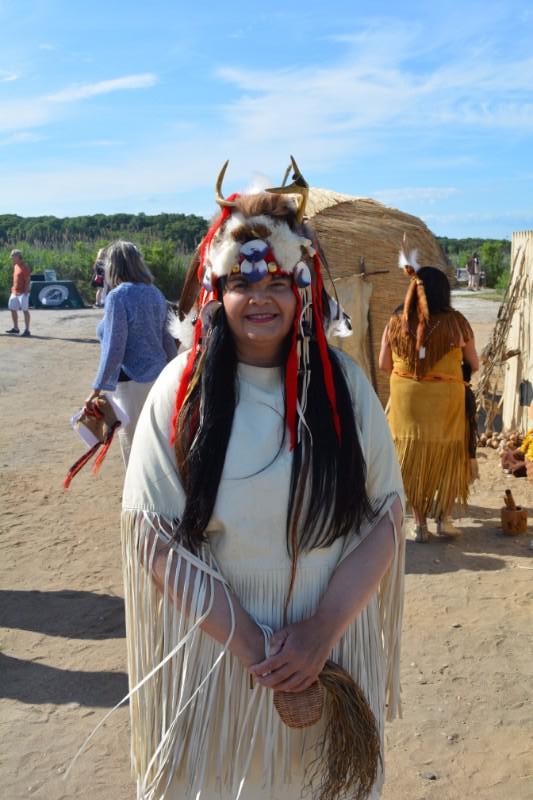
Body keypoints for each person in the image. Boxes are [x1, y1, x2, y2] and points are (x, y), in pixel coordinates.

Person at [120, 161, 405, 800]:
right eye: (243, 283)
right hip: (222, 647)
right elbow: (154, 535)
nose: (261, 298)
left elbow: (384, 519)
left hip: (328, 635)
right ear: (217, 292)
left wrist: (319, 632)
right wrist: (259, 650)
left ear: (305, 289)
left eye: (279, 281)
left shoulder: (345, 390)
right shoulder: (180, 393)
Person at [379, 252, 479, 542]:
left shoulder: (395, 321)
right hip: (446, 400)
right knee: (447, 454)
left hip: (406, 399)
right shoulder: (457, 323)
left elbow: (385, 365)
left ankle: (419, 524)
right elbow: (474, 364)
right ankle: (443, 520)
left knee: (410, 459)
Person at [84, 241, 177, 466]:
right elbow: (167, 339)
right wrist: (175, 373)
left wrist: (97, 389)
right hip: (159, 378)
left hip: (130, 382)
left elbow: (115, 348)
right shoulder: (155, 293)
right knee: (158, 445)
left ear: (113, 266)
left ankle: (137, 499)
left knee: (134, 448)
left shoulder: (118, 296)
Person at [6, 249, 31, 336]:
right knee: (12, 309)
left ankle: (27, 330)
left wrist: (26, 292)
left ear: (18, 257)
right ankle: (16, 328)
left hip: (23, 293)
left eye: (13, 257)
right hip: (14, 292)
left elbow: (28, 280)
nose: (12, 258)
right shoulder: (15, 266)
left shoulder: (25, 267)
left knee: (25, 310)